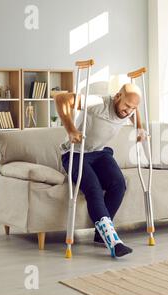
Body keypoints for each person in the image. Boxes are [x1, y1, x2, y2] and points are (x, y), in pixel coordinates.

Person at [55, 84, 146, 258]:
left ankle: (99, 235)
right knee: (93, 188)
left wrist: (139, 127)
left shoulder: (130, 108)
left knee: (119, 184)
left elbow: (134, 110)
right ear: (118, 96)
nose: (128, 112)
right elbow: (60, 98)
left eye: (132, 108)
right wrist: (71, 130)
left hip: (100, 152)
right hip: (75, 154)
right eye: (126, 106)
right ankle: (113, 241)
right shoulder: (97, 102)